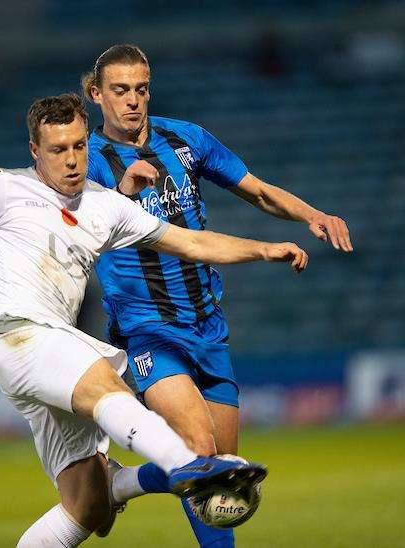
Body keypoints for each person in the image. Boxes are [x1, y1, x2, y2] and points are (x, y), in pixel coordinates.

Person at [0, 93, 306, 547]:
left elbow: (194, 243)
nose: (72, 159)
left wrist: (263, 248)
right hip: (19, 335)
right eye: (58, 149)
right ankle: (187, 466)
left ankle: (126, 483)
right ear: (35, 149)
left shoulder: (107, 205)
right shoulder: (0, 188)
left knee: (87, 507)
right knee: (111, 391)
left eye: (79, 145)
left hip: (51, 350)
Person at [83, 44, 353, 547]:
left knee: (222, 479)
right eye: (120, 91)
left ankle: (120, 483)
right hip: (148, 330)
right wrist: (120, 193)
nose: (132, 101)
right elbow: (83, 238)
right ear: (97, 94)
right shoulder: (89, 162)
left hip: (208, 326)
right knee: (200, 450)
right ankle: (117, 484)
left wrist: (311, 214)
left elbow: (258, 190)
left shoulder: (185, 138)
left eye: (141, 89)